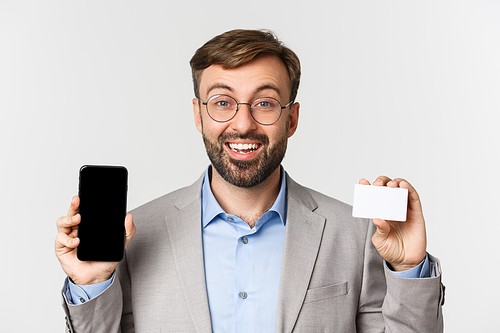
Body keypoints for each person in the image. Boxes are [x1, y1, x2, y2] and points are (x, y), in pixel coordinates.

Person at [56, 29, 444, 332]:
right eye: (222, 102)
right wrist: (92, 285)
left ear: (291, 118)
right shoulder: (131, 237)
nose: (243, 124)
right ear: (198, 115)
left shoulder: (356, 237)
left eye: (265, 103)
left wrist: (409, 269)